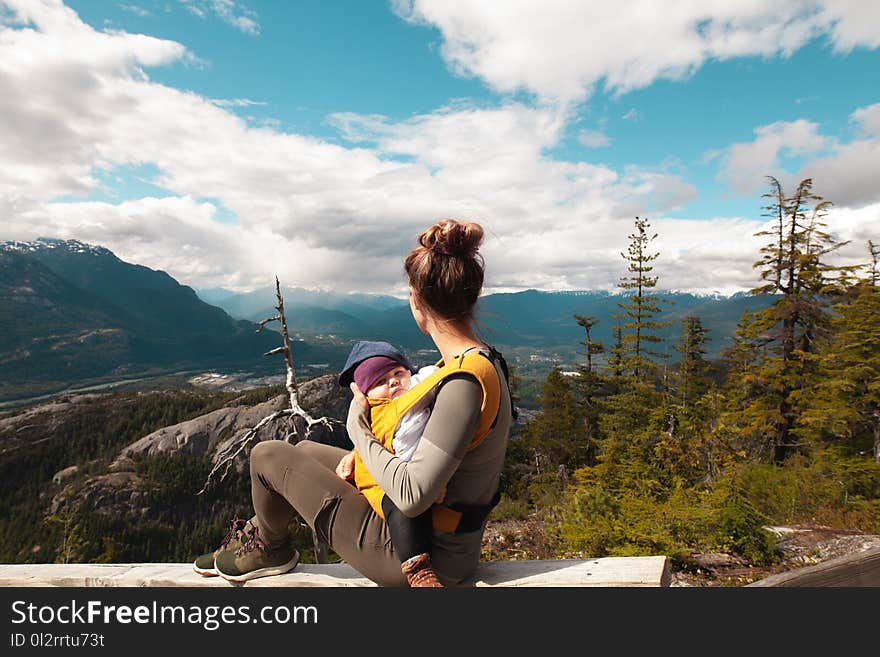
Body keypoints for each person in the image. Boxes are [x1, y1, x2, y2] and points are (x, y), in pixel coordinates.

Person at [193, 218, 514, 587]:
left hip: (422, 556)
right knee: (306, 451)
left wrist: (358, 431)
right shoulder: (480, 362)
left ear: (416, 300)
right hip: (440, 536)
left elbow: (411, 497)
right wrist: (365, 455)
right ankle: (260, 537)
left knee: (267, 455)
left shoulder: (462, 382)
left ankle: (271, 547)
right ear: (472, 295)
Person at [334, 340, 444, 586]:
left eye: (397, 373)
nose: (393, 382)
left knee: (409, 503)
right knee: (400, 507)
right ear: (366, 394)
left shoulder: (416, 390)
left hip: (414, 474)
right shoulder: (378, 411)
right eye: (380, 381)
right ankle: (418, 570)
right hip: (382, 481)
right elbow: (380, 438)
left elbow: (434, 374)